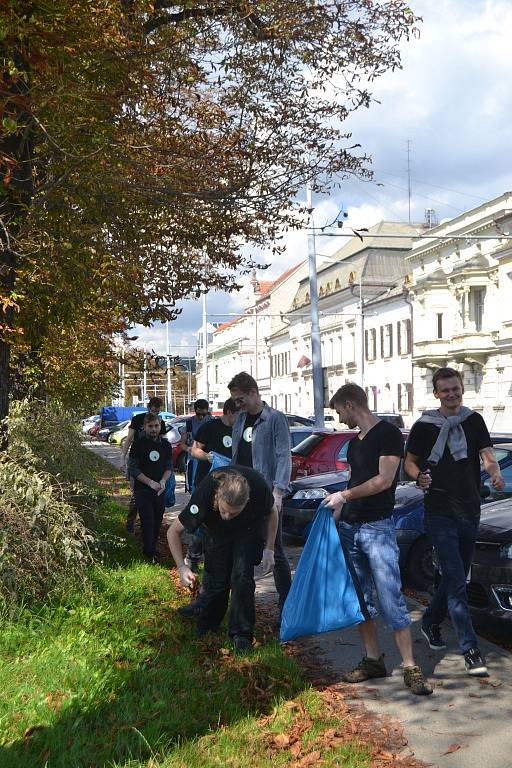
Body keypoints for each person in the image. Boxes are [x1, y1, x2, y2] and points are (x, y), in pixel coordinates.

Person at [324, 383, 432, 696]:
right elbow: (356, 479)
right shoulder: (355, 441)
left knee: (391, 599)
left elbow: (384, 481)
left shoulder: (387, 434)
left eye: (339, 411)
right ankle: (373, 661)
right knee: (361, 600)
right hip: (350, 529)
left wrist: (343, 495)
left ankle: (411, 667)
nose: (339, 418)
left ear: (349, 404)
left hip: (377, 530)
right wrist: (340, 511)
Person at [404, 367, 504, 676]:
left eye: (456, 389)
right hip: (440, 510)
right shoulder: (424, 426)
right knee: (458, 579)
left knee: (454, 576)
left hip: (470, 509)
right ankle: (470, 648)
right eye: (445, 390)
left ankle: (431, 620)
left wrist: (495, 470)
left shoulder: (474, 420)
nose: (452, 394)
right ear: (436, 393)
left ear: (462, 389)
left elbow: (486, 453)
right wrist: (418, 477)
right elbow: (410, 463)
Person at [167, 466, 278, 651]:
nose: (227, 516)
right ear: (217, 497)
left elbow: (272, 512)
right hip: (216, 532)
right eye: (224, 510)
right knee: (218, 579)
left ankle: (241, 633)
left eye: (233, 513)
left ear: (247, 501)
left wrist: (269, 549)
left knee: (241, 577)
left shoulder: (258, 487)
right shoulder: (205, 494)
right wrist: (181, 567)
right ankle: (209, 623)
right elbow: (173, 532)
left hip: (248, 530)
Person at [227, 371, 292, 612]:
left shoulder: (275, 419)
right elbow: (236, 456)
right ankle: (243, 607)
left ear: (253, 392)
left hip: (265, 495)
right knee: (241, 549)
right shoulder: (241, 420)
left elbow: (284, 455)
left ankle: (287, 607)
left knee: (274, 551)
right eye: (235, 400)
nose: (237, 404)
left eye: (240, 399)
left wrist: (278, 492)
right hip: (239, 496)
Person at [128, 412, 174, 561]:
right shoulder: (138, 445)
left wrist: (163, 481)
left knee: (157, 520)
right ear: (144, 427)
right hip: (142, 489)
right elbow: (133, 469)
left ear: (160, 426)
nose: (154, 429)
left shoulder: (166, 445)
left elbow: (169, 467)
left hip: (159, 490)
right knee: (147, 520)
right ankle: (149, 553)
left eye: (156, 426)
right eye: (150, 426)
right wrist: (149, 482)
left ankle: (151, 547)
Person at [121, 397, 167, 533]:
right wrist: (123, 457)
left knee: (154, 495)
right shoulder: (137, 419)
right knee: (136, 495)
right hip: (138, 462)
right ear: (148, 408)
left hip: (154, 463)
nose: (156, 414)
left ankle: (147, 525)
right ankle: (130, 523)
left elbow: (162, 442)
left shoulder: (160, 422)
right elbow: (129, 438)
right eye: (154, 411)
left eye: (158, 412)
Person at [180, 398, 212, 491]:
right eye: (199, 414)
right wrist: (190, 449)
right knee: (194, 487)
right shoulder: (189, 423)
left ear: (207, 411)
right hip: (193, 460)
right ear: (195, 410)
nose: (201, 417)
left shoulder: (212, 422)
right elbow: (182, 444)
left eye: (204, 414)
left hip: (209, 459)